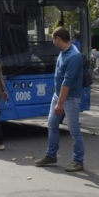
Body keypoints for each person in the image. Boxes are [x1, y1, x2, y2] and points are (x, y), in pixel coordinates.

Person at [34, 27, 86, 172]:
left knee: (74, 129)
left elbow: (67, 82)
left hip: (70, 98)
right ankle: (51, 155)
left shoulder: (74, 56)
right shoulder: (64, 52)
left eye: (53, 39)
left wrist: (60, 103)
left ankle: (78, 161)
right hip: (59, 95)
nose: (52, 42)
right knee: (52, 124)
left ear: (58, 39)